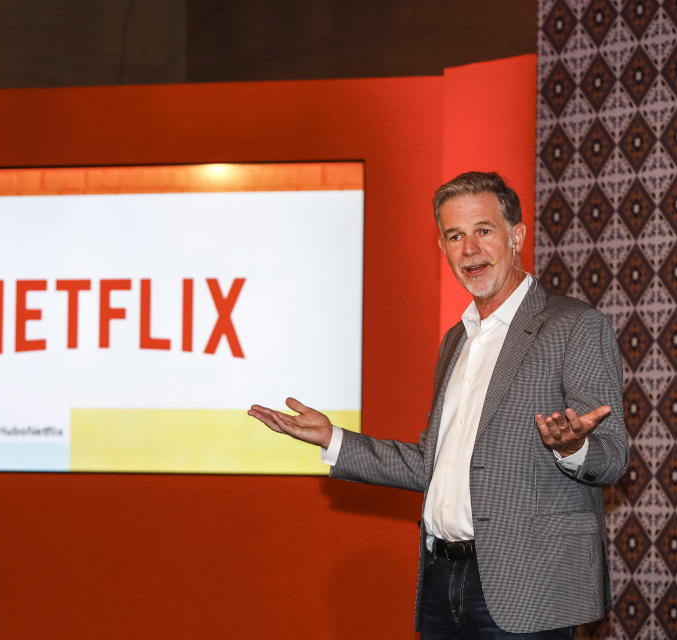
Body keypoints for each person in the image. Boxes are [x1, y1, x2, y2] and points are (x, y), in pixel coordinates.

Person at [248, 171, 629, 638]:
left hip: (527, 587)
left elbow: (612, 458)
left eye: (483, 231)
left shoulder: (574, 326)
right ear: (443, 249)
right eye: (455, 236)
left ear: (516, 237)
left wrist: (572, 447)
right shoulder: (455, 340)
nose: (469, 249)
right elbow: (430, 465)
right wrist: (333, 439)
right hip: (441, 581)